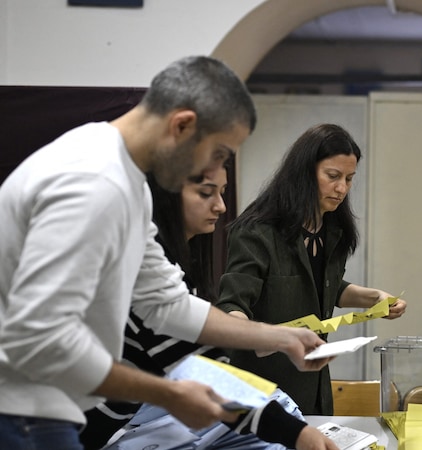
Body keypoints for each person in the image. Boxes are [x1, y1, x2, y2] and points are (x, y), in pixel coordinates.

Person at [0, 55, 331, 450]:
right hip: (22, 412)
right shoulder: (95, 183)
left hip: (39, 409)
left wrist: (278, 337)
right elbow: (39, 339)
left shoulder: (123, 179)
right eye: (219, 153)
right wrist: (169, 394)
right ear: (182, 125)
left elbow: (166, 304)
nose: (217, 173)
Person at [80, 167, 337, 450]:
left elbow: (199, 339)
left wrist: (284, 339)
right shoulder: (140, 271)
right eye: (206, 193)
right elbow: (203, 369)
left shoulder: (168, 265)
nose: (221, 206)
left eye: (223, 192)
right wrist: (297, 433)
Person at [216, 123, 407, 415]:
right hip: (263, 391)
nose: (342, 188)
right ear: (304, 173)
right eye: (333, 176)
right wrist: (258, 336)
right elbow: (232, 304)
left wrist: (375, 298)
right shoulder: (258, 231)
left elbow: (325, 286)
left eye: (349, 179)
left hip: (315, 387)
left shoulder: (332, 227)